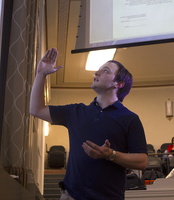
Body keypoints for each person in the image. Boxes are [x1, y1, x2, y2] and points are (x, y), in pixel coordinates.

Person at [30, 48, 148, 200]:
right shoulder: (75, 111)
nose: (96, 73)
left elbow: (142, 161)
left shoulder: (130, 118)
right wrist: (41, 74)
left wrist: (110, 154)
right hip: (70, 196)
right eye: (97, 70)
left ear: (118, 84)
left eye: (105, 71)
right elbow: (36, 109)